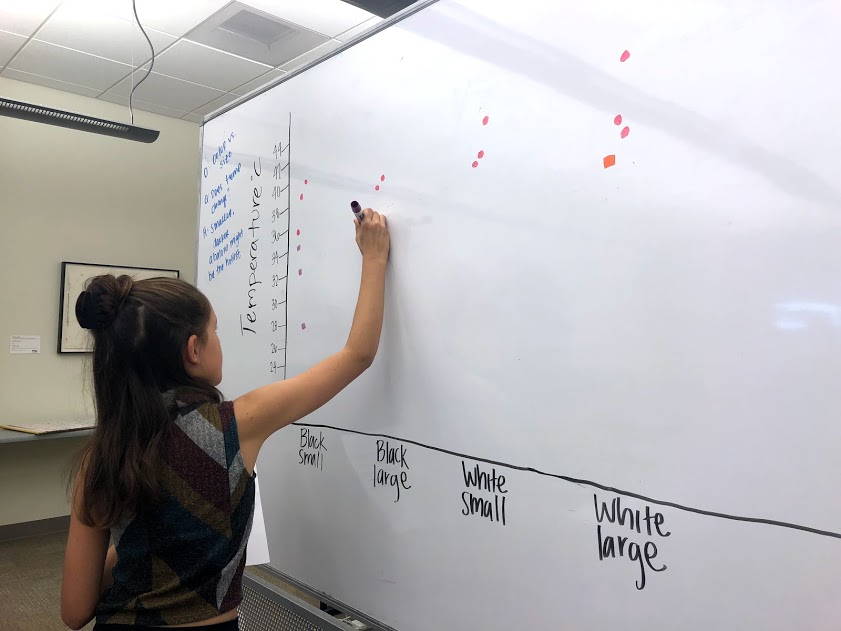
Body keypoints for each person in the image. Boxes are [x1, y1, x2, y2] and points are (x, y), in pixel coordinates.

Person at [61, 209, 390, 630]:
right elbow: (357, 355)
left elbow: (74, 611)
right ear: (193, 350)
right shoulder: (236, 424)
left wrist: (137, 543)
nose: (220, 341)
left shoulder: (102, 456)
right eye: (215, 331)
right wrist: (375, 259)